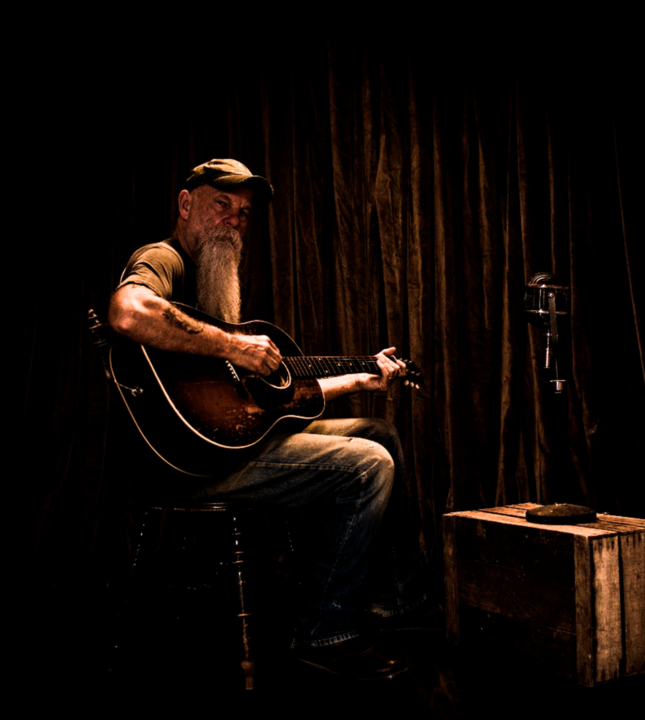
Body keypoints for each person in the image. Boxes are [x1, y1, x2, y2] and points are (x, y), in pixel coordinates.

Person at [108, 158, 424, 680]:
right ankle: (324, 629)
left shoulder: (213, 287)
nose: (234, 221)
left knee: (380, 433)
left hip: (232, 444)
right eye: (222, 205)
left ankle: (394, 600)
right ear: (185, 205)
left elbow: (266, 403)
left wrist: (359, 378)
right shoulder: (164, 259)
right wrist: (236, 345)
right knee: (369, 464)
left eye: (244, 213)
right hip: (194, 464)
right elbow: (127, 311)